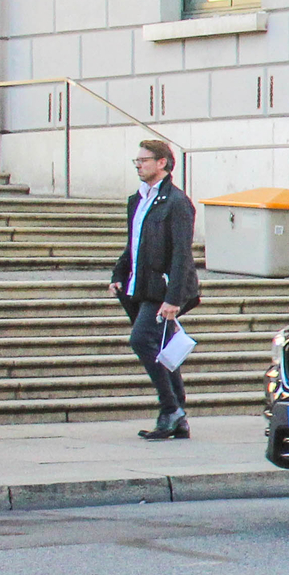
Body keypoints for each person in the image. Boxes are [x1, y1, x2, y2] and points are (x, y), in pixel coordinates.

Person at [109, 139, 201, 441]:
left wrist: (174, 298)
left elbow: (181, 253)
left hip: (161, 290)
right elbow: (133, 244)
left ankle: (170, 408)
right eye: (136, 160)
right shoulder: (137, 200)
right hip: (139, 286)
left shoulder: (176, 202)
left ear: (162, 162)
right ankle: (178, 416)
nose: (139, 165)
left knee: (141, 340)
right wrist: (119, 273)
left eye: (144, 160)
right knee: (162, 349)